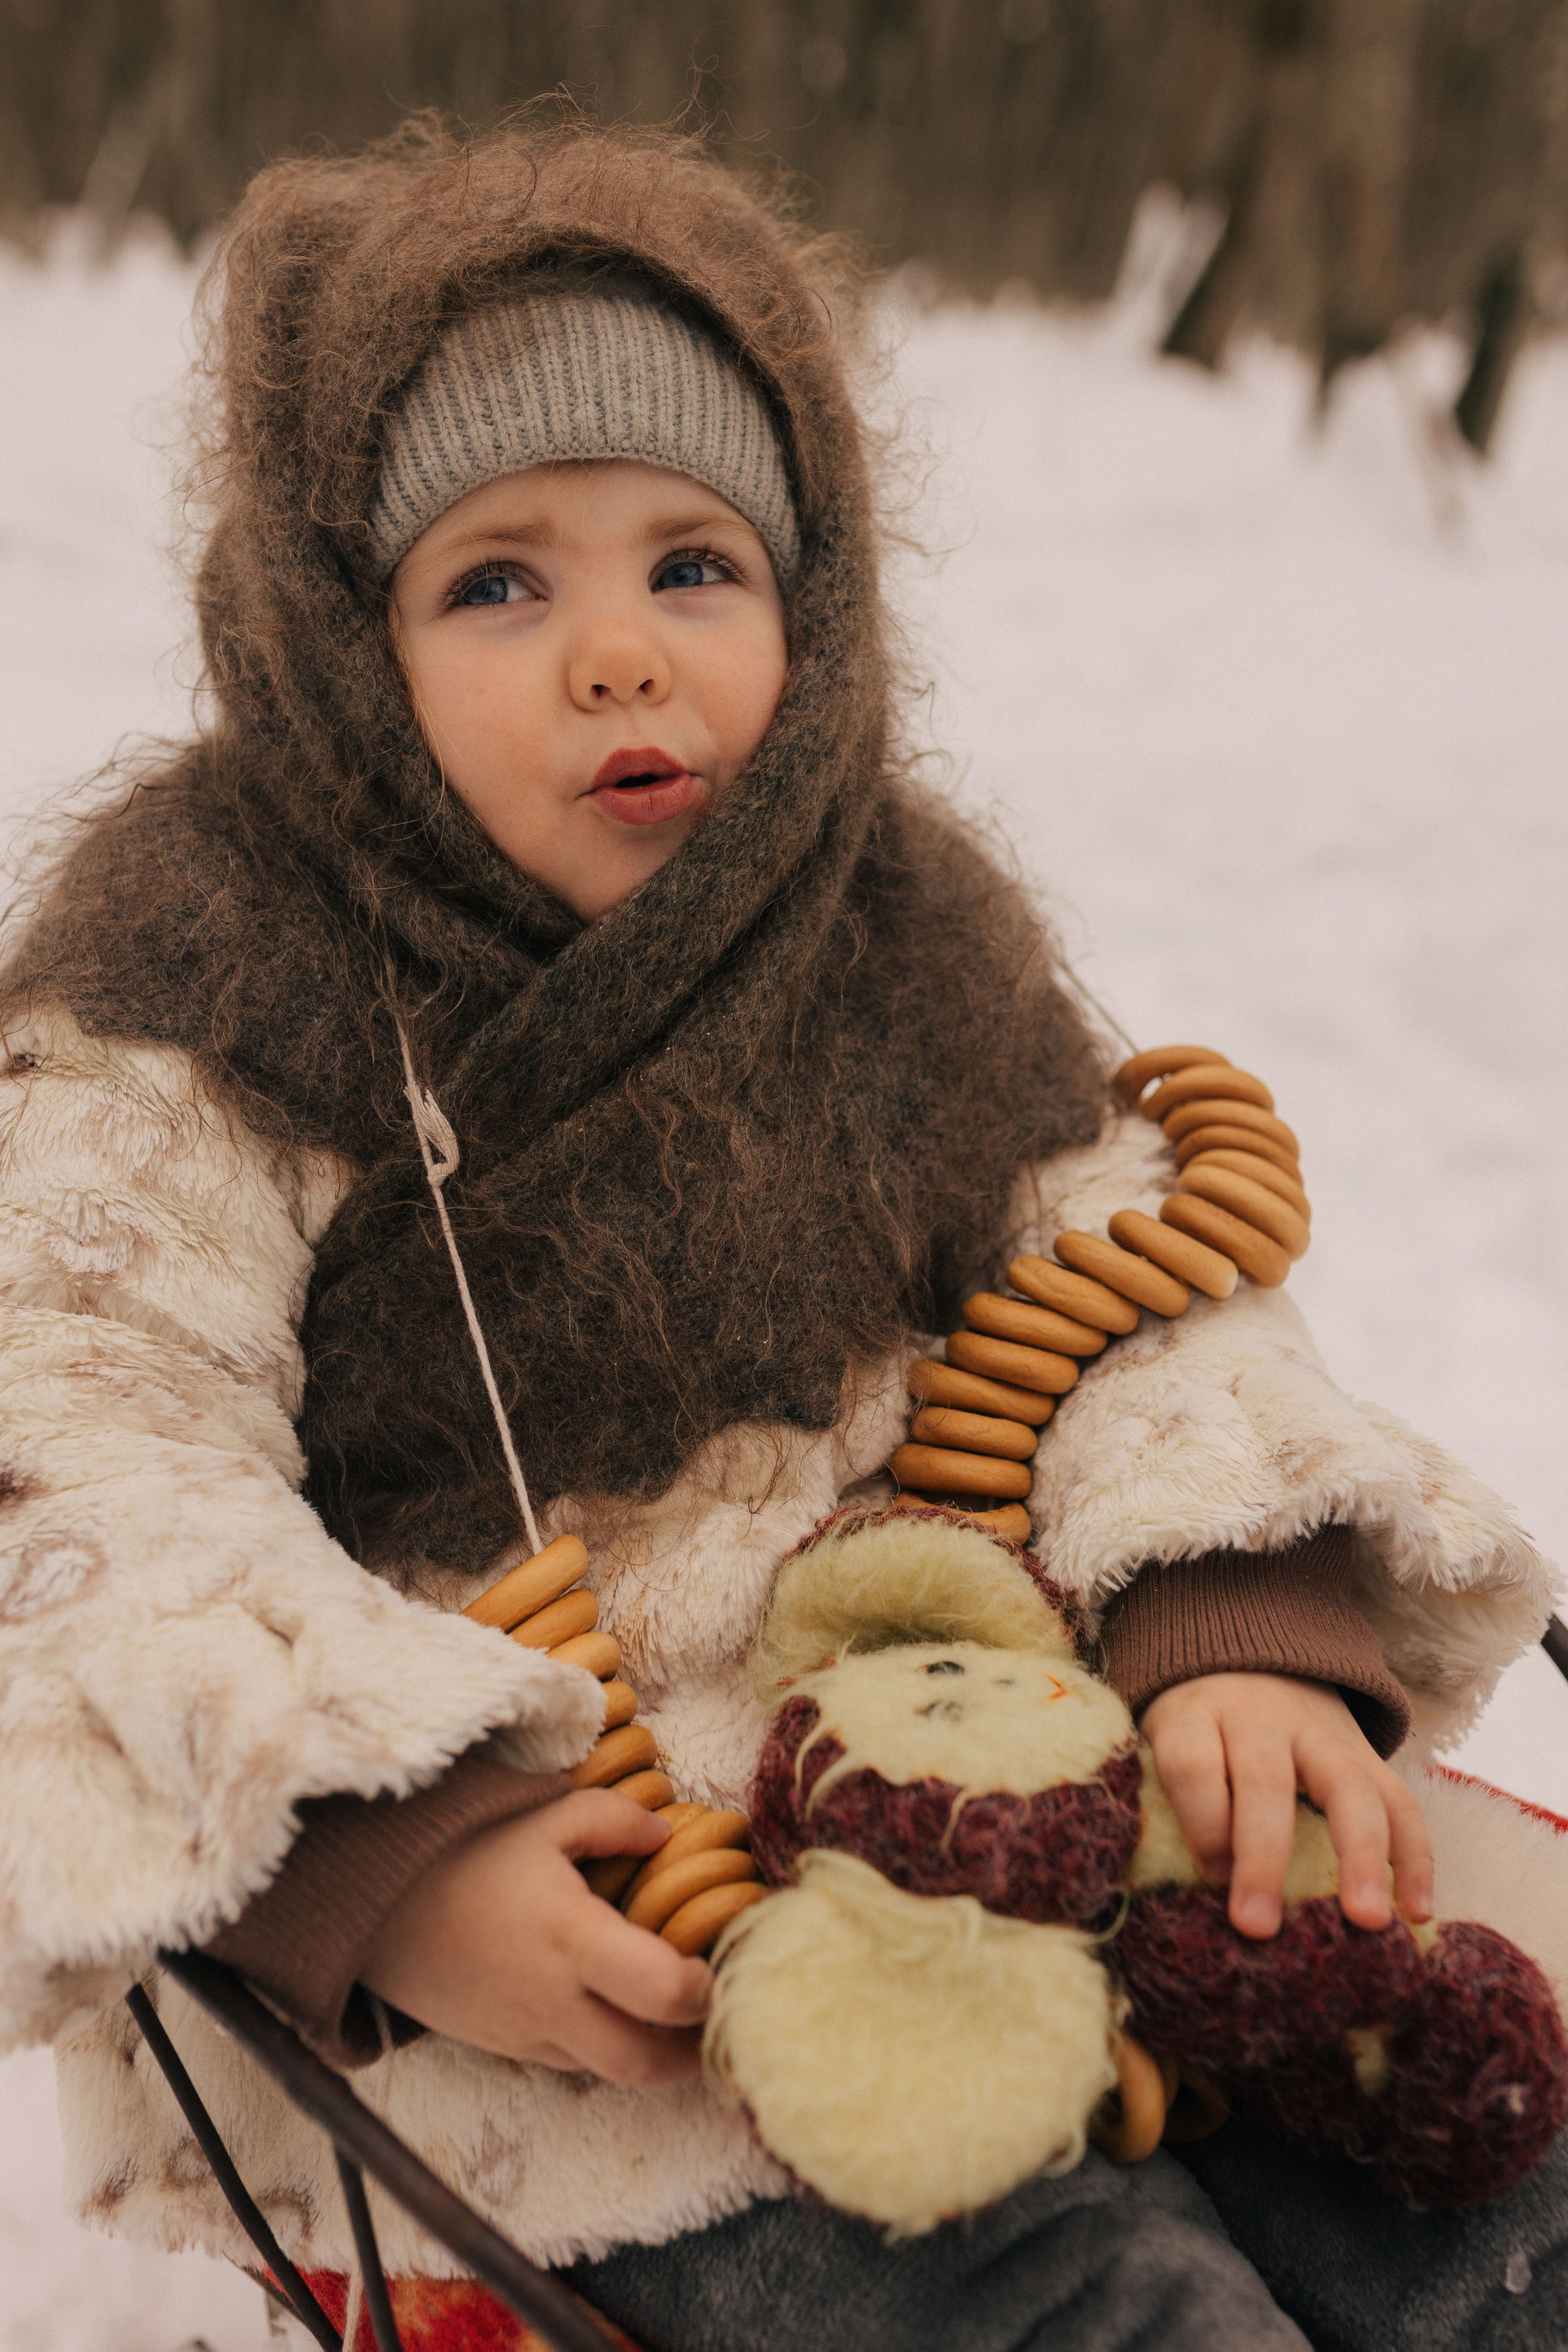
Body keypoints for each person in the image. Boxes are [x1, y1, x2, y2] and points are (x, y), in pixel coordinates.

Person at [0, 114, 1561, 2352]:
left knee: (1476, 2185)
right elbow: (76, 1434)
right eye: (499, 583)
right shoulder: (197, 982)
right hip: (586, 1916)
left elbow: (1114, 1262)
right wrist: (380, 1848)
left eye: (694, 566)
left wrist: (1221, 1594)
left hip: (1004, 1756)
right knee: (1080, 2300)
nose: (619, 657)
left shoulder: (893, 923)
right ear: (345, 645)